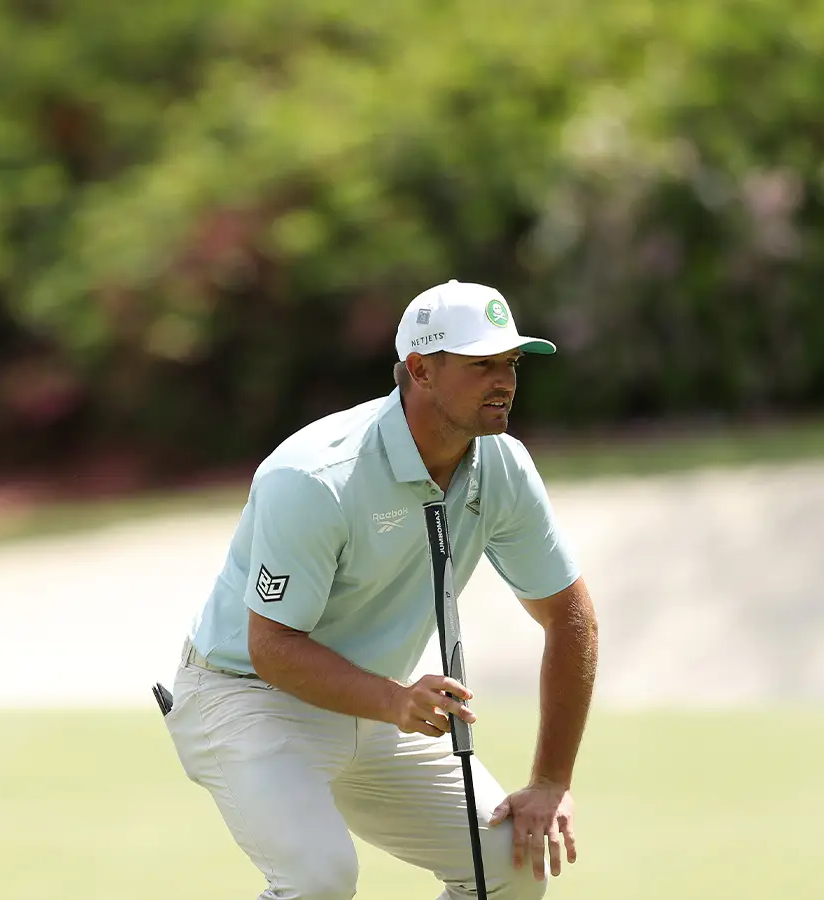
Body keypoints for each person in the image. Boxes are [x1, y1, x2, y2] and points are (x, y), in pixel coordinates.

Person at [161, 279, 599, 900]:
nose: (504, 381)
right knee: (319, 880)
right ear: (420, 370)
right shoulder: (315, 476)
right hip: (244, 695)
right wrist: (394, 701)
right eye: (482, 366)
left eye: (511, 363)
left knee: (509, 865)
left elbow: (570, 616)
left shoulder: (502, 464)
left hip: (375, 702)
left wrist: (551, 780)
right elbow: (272, 647)